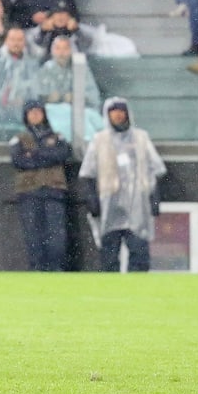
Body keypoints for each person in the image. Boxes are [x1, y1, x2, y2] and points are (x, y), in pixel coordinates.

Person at [79, 98, 167, 273]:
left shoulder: (141, 138)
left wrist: (154, 198)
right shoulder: (99, 140)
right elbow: (88, 172)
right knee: (109, 255)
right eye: (114, 111)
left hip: (137, 206)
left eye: (121, 111)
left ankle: (138, 288)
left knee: (139, 253)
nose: (118, 115)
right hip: (109, 204)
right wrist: (92, 201)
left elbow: (155, 168)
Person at [9, 100, 72, 271]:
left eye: (38, 111)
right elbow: (19, 160)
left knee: (56, 235)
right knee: (33, 236)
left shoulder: (57, 136)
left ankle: (56, 268)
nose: (35, 115)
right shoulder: (19, 138)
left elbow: (63, 154)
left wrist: (35, 154)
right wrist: (47, 155)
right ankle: (37, 268)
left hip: (54, 190)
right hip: (29, 191)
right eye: (31, 112)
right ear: (25, 116)